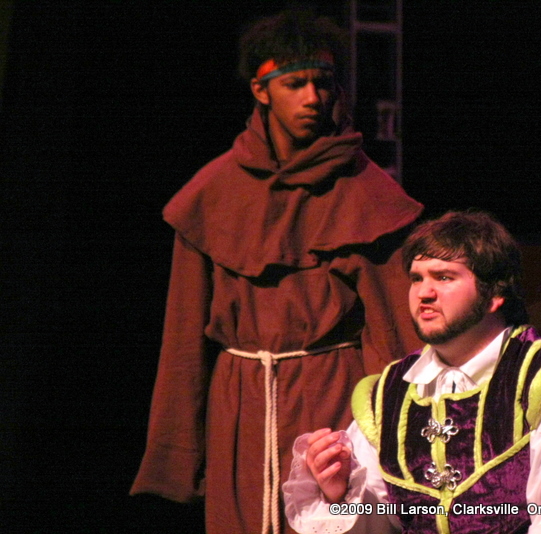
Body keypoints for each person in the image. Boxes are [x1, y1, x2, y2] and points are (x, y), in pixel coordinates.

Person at [130, 9, 424, 534]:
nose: (312, 98)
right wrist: (179, 451)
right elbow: (183, 343)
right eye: (295, 84)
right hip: (240, 408)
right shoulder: (213, 195)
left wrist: (401, 447)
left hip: (333, 402)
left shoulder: (365, 194)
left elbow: (395, 336)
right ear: (261, 90)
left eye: (322, 83)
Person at [283, 210, 541, 534]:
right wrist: (338, 493)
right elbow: (379, 523)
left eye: (444, 277)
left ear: (494, 294)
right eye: (417, 278)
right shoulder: (389, 396)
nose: (424, 293)